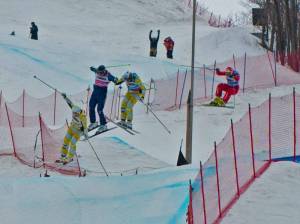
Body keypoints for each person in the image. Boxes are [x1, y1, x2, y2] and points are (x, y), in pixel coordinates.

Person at [57, 93, 88, 164]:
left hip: (78, 131)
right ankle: (63, 155)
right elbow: (70, 103)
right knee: (65, 141)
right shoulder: (74, 108)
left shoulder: (83, 117)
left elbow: (85, 127)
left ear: (78, 112)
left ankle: (70, 157)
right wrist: (65, 97)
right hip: (71, 129)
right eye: (73, 113)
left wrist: (86, 134)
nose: (74, 114)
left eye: (75, 113)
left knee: (72, 143)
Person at [88, 65, 118, 133]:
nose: (99, 73)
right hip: (95, 91)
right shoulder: (97, 71)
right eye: (99, 72)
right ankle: (93, 123)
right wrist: (92, 68)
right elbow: (93, 69)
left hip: (102, 93)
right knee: (91, 107)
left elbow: (116, 80)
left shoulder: (108, 75)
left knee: (99, 109)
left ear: (104, 71)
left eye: (101, 72)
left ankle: (103, 125)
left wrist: (116, 80)